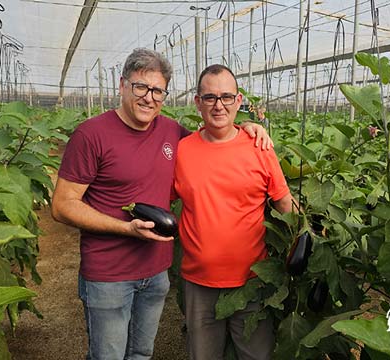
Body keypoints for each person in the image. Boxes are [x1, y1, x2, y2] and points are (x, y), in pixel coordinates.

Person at [51, 49, 271, 360]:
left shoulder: (171, 132)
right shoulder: (91, 134)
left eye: (157, 90)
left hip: (156, 272)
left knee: (141, 354)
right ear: (123, 85)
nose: (148, 98)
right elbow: (61, 206)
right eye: (141, 87)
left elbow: (214, 139)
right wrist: (125, 227)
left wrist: (249, 127)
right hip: (108, 274)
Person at [173, 64, 297, 360]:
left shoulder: (259, 146)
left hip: (252, 282)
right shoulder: (182, 150)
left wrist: (313, 235)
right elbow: (157, 197)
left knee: (256, 356)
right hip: (198, 283)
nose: (219, 105)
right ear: (197, 102)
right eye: (210, 97)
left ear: (239, 101)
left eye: (227, 97)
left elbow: (284, 203)